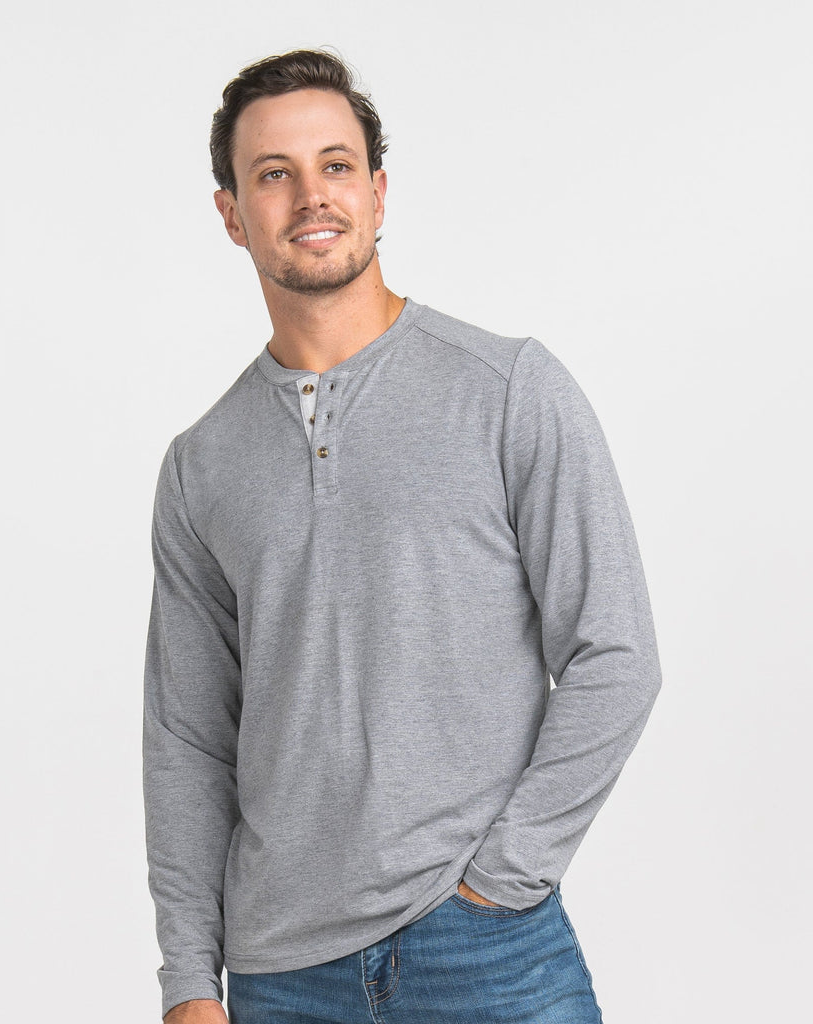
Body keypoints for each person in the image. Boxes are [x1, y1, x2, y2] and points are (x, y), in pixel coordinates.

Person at [143, 48, 662, 1024]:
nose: (311, 195)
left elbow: (616, 652)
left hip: (491, 952)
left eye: (335, 165)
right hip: (280, 975)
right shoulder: (200, 464)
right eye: (273, 173)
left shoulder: (508, 390)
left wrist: (500, 880)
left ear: (377, 193)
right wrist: (188, 980)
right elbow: (187, 741)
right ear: (231, 214)